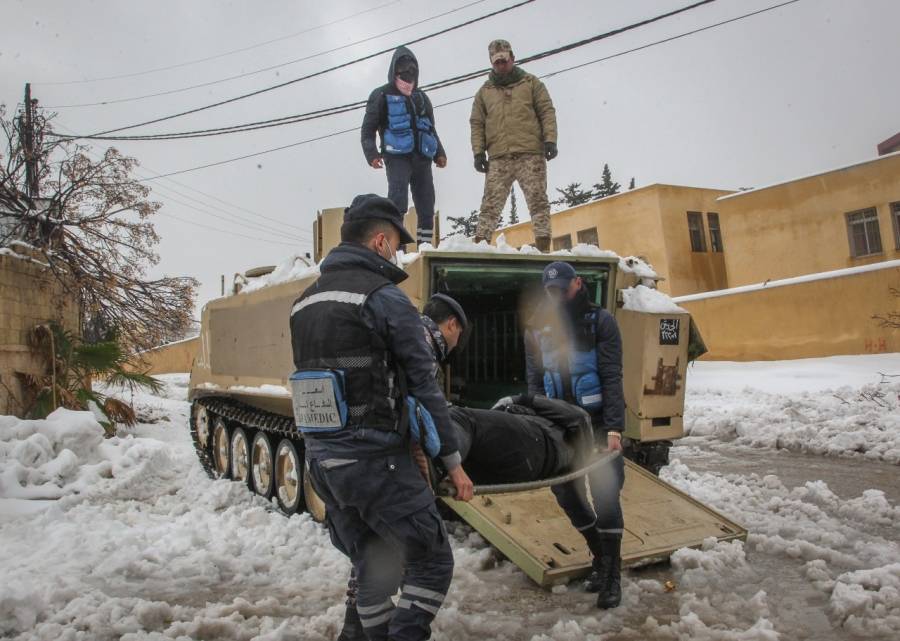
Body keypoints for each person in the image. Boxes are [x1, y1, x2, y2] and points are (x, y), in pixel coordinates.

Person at [290, 194, 473, 641]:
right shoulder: (385, 298)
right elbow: (424, 385)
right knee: (431, 562)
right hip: (376, 462)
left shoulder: (303, 303)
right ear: (378, 241)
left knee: (373, 566)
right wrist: (452, 461)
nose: (397, 252)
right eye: (394, 242)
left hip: (323, 464)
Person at [524, 261, 626, 609]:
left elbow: (612, 376)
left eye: (563, 290)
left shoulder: (601, 322)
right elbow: (535, 383)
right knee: (567, 495)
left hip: (596, 423)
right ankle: (599, 556)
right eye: (551, 292)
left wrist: (614, 427)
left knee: (606, 497)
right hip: (560, 427)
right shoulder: (537, 328)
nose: (558, 297)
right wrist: (538, 424)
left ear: (578, 284)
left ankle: (612, 576)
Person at [470, 39, 558, 252]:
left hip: (530, 154)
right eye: (497, 62)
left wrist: (550, 140)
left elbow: (546, 111)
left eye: (504, 61)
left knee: (538, 201)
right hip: (499, 157)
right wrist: (478, 152)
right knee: (490, 206)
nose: (501, 65)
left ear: (512, 58)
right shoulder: (484, 92)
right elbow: (477, 123)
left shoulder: (531, 83)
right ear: (492, 63)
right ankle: (480, 247)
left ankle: (543, 247)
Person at [361, 46, 447, 248]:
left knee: (427, 204)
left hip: (423, 158)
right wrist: (371, 153)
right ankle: (397, 247)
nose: (408, 74)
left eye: (412, 70)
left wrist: (439, 154)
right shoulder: (381, 95)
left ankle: (424, 246)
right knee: (397, 201)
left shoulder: (422, 97)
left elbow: (430, 128)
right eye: (403, 70)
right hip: (396, 157)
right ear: (394, 70)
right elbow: (368, 129)